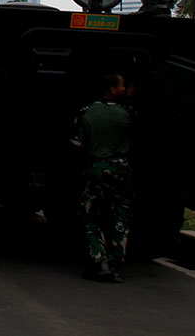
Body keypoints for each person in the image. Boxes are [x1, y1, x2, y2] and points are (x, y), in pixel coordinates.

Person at [72, 70, 136, 282]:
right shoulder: (128, 114)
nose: (124, 88)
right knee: (121, 217)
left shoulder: (87, 113)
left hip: (98, 168)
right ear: (112, 89)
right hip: (123, 170)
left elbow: (77, 144)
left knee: (89, 216)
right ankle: (117, 265)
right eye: (122, 85)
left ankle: (99, 260)